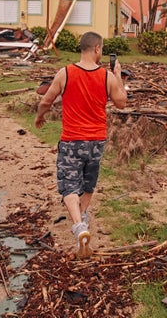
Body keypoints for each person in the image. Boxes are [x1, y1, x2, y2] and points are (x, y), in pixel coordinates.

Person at [35, 31, 127, 259]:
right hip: (96, 141)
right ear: (97, 49)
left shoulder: (65, 73)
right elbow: (122, 103)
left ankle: (79, 227)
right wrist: (118, 76)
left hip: (71, 140)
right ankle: (83, 219)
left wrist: (40, 116)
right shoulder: (107, 77)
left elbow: (47, 100)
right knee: (88, 185)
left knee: (69, 186)